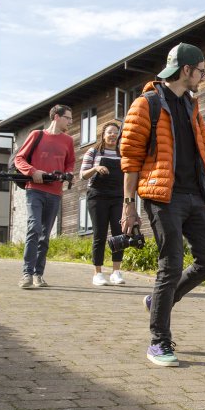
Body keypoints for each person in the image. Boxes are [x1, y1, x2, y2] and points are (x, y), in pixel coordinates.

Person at [120, 42, 205, 367]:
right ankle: (159, 342)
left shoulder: (193, 108)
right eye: (202, 71)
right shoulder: (145, 104)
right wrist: (128, 206)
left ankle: (159, 300)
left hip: (194, 197)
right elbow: (131, 159)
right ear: (186, 70)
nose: (203, 77)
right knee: (171, 264)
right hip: (162, 196)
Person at [15, 104, 75, 289]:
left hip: (55, 192)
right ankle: (27, 274)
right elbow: (19, 159)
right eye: (68, 118)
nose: (70, 122)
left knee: (45, 236)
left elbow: (70, 163)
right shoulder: (36, 135)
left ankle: (38, 275)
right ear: (56, 117)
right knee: (34, 229)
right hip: (35, 189)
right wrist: (32, 171)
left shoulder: (68, 141)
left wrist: (69, 174)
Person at [80, 121, 126, 286]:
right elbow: (83, 175)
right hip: (97, 196)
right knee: (99, 235)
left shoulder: (123, 153)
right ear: (103, 135)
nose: (113, 135)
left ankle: (116, 272)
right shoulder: (93, 152)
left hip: (117, 196)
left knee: (119, 234)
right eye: (110, 132)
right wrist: (96, 168)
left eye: (115, 132)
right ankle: (97, 273)